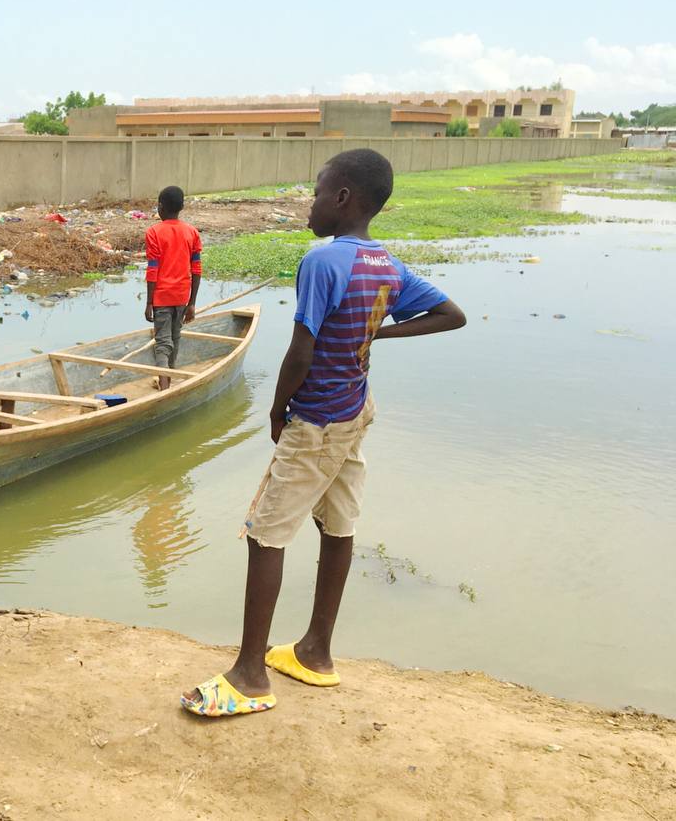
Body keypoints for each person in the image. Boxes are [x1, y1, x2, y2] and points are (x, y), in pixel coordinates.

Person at [181, 149, 466, 717]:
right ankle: (315, 652)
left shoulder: (324, 261)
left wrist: (277, 409)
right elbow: (451, 314)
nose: (308, 203)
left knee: (267, 532)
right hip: (356, 412)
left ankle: (249, 675)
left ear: (342, 199)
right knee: (339, 526)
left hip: (316, 420)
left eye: (316, 191)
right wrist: (376, 335)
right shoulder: (387, 265)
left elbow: (300, 349)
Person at [144, 185, 202, 390]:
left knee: (163, 343)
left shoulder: (154, 232)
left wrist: (149, 302)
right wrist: (192, 303)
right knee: (174, 338)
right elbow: (196, 270)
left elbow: (153, 269)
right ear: (182, 207)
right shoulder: (191, 232)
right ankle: (170, 376)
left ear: (160, 207)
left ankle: (165, 386)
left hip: (161, 297)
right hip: (182, 296)